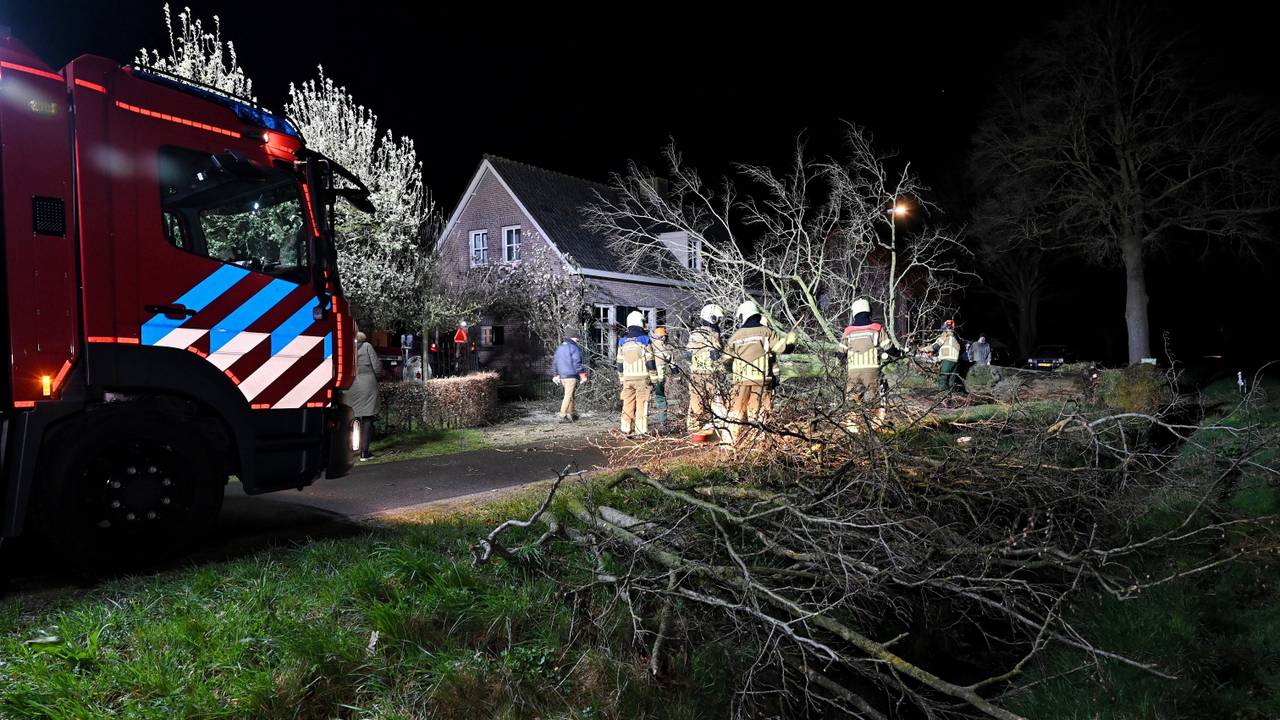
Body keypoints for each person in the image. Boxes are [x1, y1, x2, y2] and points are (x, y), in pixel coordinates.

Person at [723, 300, 793, 445]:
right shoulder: (766, 332)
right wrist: (792, 342)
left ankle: (729, 442)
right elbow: (783, 349)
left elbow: (726, 360)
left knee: (736, 412)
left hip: (741, 380)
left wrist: (732, 369)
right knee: (760, 412)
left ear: (744, 316)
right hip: (761, 381)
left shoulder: (736, 335)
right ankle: (759, 443)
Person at [841, 298, 895, 427]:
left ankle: (852, 427)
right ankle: (876, 426)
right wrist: (899, 353)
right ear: (868, 310)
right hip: (871, 369)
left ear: (855, 312)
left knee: (852, 399)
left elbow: (841, 353)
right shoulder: (876, 328)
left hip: (853, 370)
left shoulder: (848, 331)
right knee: (874, 397)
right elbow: (889, 348)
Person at [616, 310, 658, 436]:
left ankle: (625, 429)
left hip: (627, 379)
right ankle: (641, 431)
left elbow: (619, 363)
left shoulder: (622, 341)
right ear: (640, 323)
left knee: (627, 404)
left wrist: (621, 378)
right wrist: (654, 379)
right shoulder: (645, 339)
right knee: (642, 404)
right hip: (642, 379)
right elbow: (650, 361)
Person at [686, 303, 725, 435]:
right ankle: (721, 425)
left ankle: (693, 427)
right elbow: (717, 355)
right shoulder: (714, 334)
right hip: (710, 373)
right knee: (716, 399)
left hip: (695, 373)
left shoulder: (694, 333)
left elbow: (688, 355)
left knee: (695, 399)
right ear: (712, 318)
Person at [345, 331, 383, 461]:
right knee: (367, 419)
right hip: (367, 385)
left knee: (350, 419)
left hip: (350, 386)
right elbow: (377, 366)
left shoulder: (346, 348)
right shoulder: (367, 346)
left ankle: (348, 451)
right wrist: (376, 376)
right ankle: (364, 453)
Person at [551, 328, 586, 422]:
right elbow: (577, 362)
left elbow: (555, 362)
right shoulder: (574, 347)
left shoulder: (560, 347)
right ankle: (562, 415)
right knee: (568, 395)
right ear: (575, 337)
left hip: (562, 376)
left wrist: (556, 374)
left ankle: (572, 414)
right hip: (571, 375)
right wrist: (582, 375)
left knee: (570, 395)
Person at [649, 326, 675, 428]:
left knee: (645, 399)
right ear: (663, 337)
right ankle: (663, 421)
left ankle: (642, 422)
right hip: (660, 379)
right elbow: (673, 365)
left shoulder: (649, 346)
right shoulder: (666, 348)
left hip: (649, 376)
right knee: (660, 399)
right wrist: (677, 375)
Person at [928, 319, 963, 390]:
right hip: (955, 361)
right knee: (951, 379)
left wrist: (923, 349)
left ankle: (942, 394)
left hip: (947, 360)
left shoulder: (945, 335)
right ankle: (952, 394)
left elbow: (935, 346)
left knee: (943, 377)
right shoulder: (955, 338)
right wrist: (937, 357)